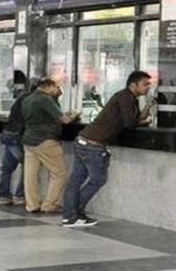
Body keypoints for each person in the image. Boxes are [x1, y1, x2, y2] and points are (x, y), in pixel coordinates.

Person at [61, 71, 156, 227]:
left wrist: (147, 107)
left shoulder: (128, 97)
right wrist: (143, 122)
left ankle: (69, 216)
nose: (147, 87)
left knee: (75, 181)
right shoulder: (125, 97)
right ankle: (74, 212)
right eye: (145, 84)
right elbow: (130, 123)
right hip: (94, 144)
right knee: (97, 179)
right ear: (133, 84)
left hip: (83, 140)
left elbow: (136, 118)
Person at [21, 77, 80, 213]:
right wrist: (75, 114)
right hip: (46, 140)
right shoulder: (45, 99)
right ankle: (49, 205)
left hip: (29, 140)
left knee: (30, 174)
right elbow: (64, 120)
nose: (59, 90)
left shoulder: (27, 99)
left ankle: (32, 204)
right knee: (59, 172)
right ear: (49, 86)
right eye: (57, 87)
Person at [0, 71, 30, 206]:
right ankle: (19, 195)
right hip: (18, 136)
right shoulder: (30, 99)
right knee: (27, 165)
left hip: (8, 133)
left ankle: (3, 195)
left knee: (7, 167)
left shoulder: (21, 98)